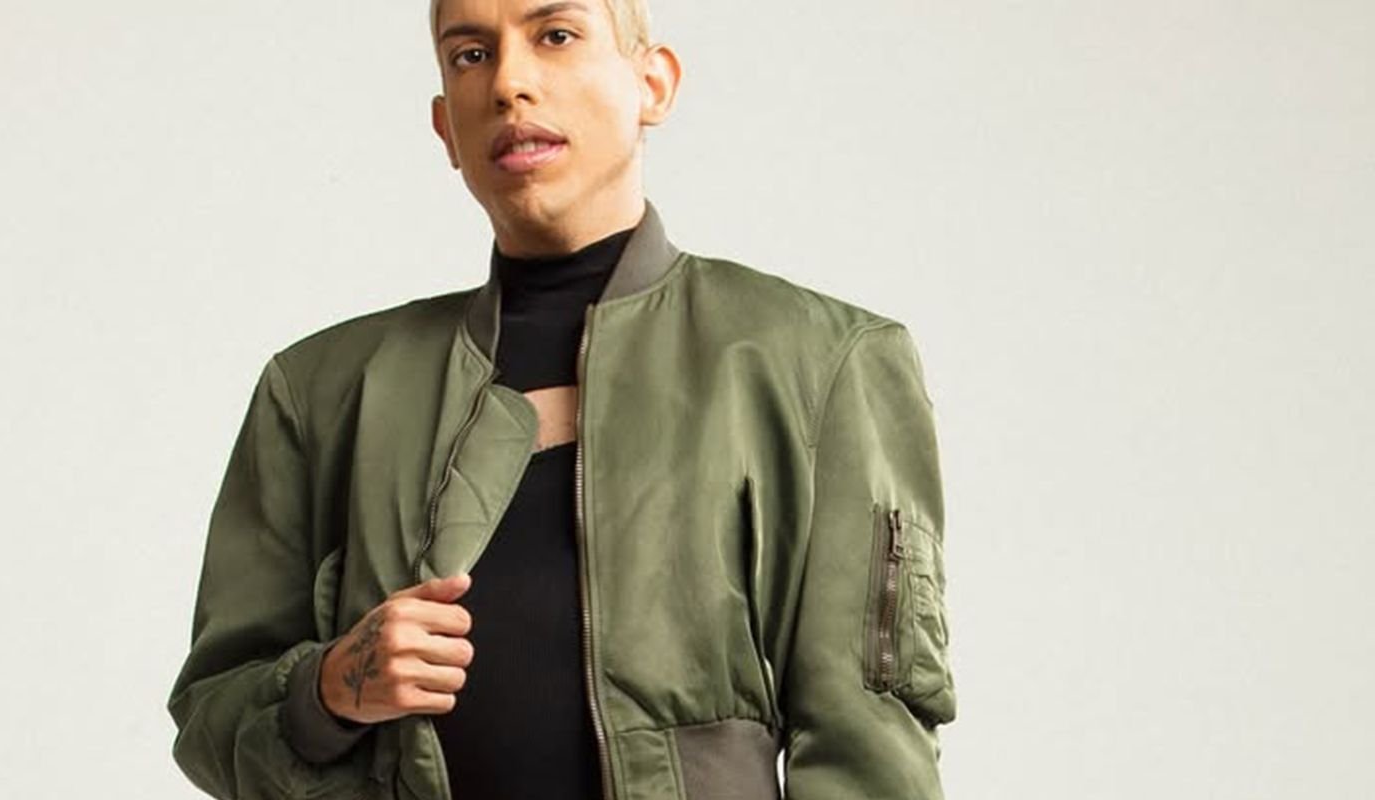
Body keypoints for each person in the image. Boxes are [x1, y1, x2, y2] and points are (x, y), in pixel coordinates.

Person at [166, 1, 958, 798]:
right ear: (446, 128)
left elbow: (870, 751)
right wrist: (330, 688)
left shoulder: (821, 365)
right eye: (471, 54)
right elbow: (211, 714)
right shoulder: (323, 391)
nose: (508, 83)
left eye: (555, 35)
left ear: (653, 84)